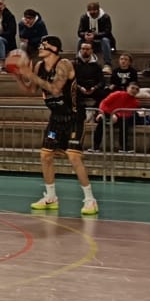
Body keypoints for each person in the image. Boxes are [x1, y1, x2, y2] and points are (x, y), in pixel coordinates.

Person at [12, 37, 98, 216]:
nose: (40, 47)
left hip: (74, 116)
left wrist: (30, 74)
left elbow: (56, 89)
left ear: (55, 48)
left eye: (44, 45)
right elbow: (31, 89)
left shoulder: (64, 64)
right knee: (45, 155)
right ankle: (51, 197)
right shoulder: (39, 66)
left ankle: (90, 200)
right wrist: (18, 75)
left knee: (73, 156)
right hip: (56, 118)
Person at [73, 41, 106, 108]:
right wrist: (80, 87)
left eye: (87, 49)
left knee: (104, 93)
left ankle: (95, 110)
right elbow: (71, 79)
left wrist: (94, 88)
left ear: (91, 51)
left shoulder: (97, 65)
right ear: (80, 50)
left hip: (93, 88)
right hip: (79, 88)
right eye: (83, 49)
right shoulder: (74, 64)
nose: (85, 51)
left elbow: (102, 81)